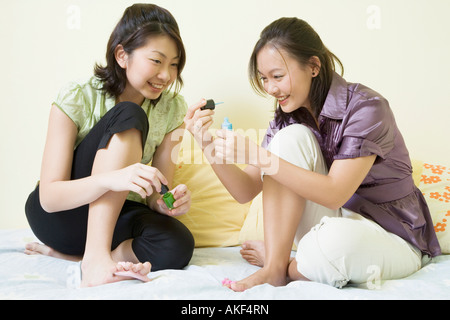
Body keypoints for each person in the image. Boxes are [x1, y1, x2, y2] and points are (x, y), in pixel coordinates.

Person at [184, 17, 441, 291]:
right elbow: (244, 191)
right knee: (290, 138)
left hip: (393, 237)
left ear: (314, 66)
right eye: (264, 79)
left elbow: (335, 193)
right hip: (335, 222)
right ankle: (276, 269)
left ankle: (283, 264)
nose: (271, 88)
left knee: (336, 242)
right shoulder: (287, 117)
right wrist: (206, 143)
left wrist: (258, 156)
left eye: (278, 76)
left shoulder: (367, 108)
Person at [24, 3, 194, 287]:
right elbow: (50, 198)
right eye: (157, 61)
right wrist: (113, 179)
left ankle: (86, 258)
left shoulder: (173, 110)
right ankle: (94, 259)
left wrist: (168, 202)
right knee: (130, 114)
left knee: (178, 242)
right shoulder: (77, 96)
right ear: (121, 55)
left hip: (115, 215)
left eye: (174, 64)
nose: (166, 75)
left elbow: (157, 193)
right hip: (61, 216)